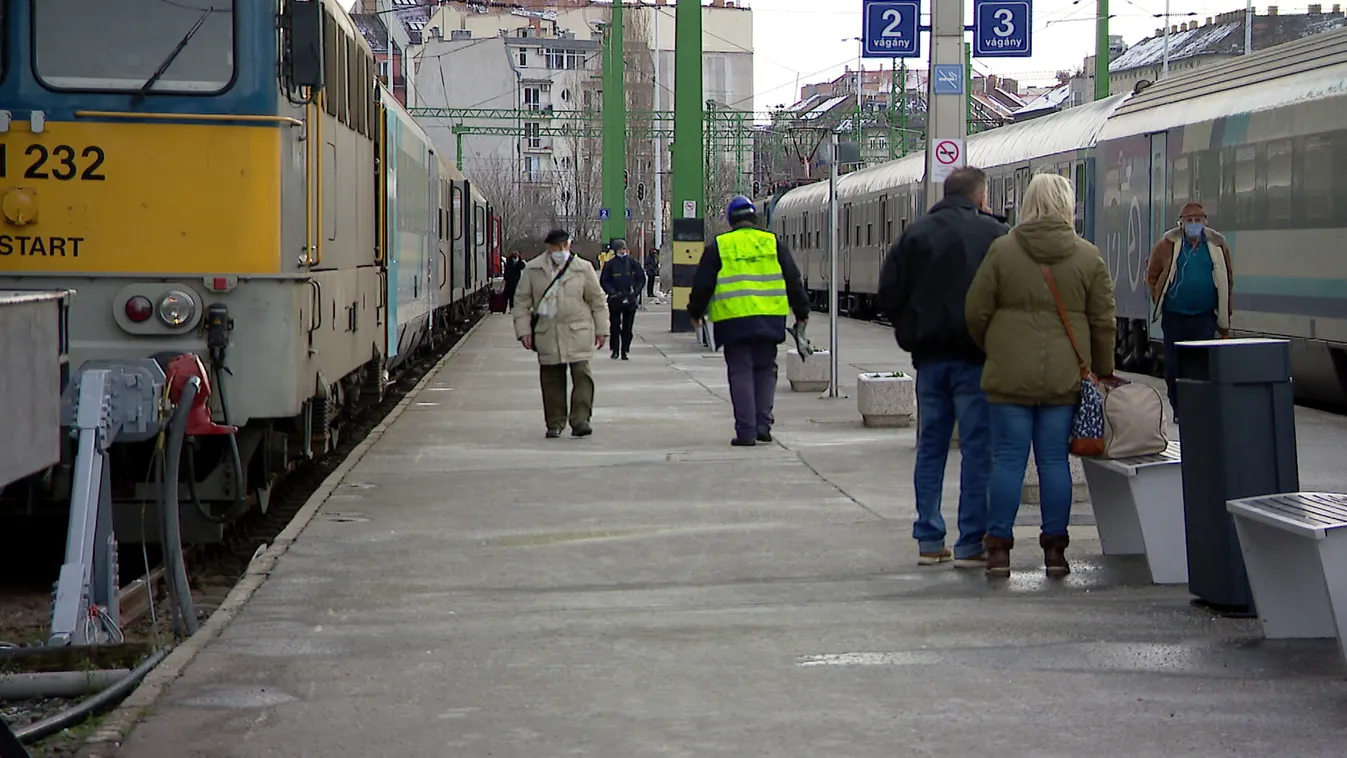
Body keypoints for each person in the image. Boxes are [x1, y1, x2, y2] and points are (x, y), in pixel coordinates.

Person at [965, 172, 1117, 578]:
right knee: (1053, 463)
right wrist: (1102, 370)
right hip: (1064, 379)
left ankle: (998, 551)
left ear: (1028, 202)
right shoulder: (1087, 256)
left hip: (1009, 378)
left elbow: (975, 312)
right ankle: (1055, 552)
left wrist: (995, 349)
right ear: (1067, 205)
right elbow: (1104, 320)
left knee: (1009, 462)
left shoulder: (1002, 250)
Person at [877, 166, 1010, 569]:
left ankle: (930, 539)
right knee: (977, 451)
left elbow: (888, 294)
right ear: (980, 197)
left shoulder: (916, 234)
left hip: (931, 360)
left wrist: (911, 334)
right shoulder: (995, 236)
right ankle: (971, 542)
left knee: (931, 449)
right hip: (977, 359)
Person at [687, 195, 810, 447]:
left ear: (731, 220)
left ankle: (746, 431)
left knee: (740, 371)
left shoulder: (720, 246)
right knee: (766, 370)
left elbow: (703, 285)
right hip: (769, 318)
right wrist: (802, 311)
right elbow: (793, 279)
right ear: (755, 218)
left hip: (734, 320)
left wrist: (695, 312)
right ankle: (763, 427)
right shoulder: (773, 243)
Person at [513, 229, 610, 439]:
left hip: (578, 331)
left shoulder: (583, 268)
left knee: (582, 376)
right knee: (551, 380)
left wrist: (602, 330)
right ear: (549, 248)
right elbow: (521, 303)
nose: (560, 251)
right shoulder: (533, 269)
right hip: (547, 331)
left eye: (564, 246)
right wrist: (524, 332)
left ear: (569, 245)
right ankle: (555, 422)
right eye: (556, 247)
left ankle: (581, 420)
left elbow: (597, 301)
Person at [1145, 201, 1233, 423]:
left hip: (1204, 316)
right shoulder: (1167, 245)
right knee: (1174, 366)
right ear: (1181, 224)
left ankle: (1198, 408)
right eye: (1189, 221)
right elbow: (1152, 274)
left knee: (1200, 365)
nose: (1194, 225)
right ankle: (1178, 407)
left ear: (1205, 222)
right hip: (1175, 316)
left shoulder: (1217, 245)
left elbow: (1227, 279)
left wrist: (1225, 313)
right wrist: (1158, 296)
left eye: (1198, 221)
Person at [599, 239, 646, 360]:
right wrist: (612, 292)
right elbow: (604, 280)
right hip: (615, 299)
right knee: (614, 326)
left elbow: (641, 278)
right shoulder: (610, 264)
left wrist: (635, 292)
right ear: (615, 250)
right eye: (620, 249)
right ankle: (615, 350)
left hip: (630, 299)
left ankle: (625, 350)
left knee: (628, 327)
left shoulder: (632, 263)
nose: (623, 251)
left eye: (624, 249)